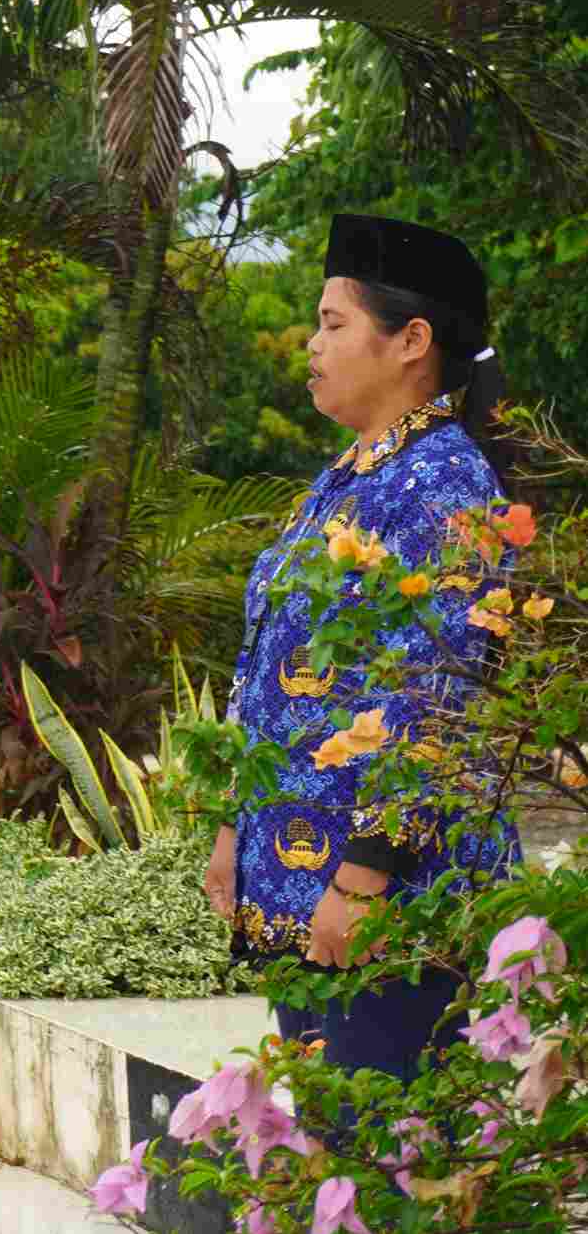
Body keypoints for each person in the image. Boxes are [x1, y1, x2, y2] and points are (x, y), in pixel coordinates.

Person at [203, 213, 517, 1096]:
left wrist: (367, 875)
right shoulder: (345, 477)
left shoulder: (449, 483)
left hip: (389, 904)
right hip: (298, 891)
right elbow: (267, 668)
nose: (312, 343)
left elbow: (443, 702)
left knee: (397, 1164)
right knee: (330, 1160)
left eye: (335, 322)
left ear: (412, 340)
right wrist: (235, 824)